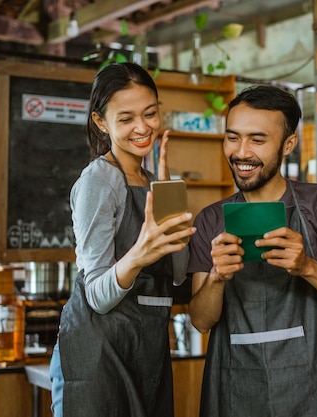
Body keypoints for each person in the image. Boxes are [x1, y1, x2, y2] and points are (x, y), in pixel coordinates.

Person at [187, 85, 317, 417]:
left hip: (311, 383)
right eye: (233, 138)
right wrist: (216, 278)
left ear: (288, 143)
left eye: (257, 140)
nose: (241, 153)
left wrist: (306, 266)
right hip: (236, 383)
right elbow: (201, 321)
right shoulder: (211, 219)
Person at [50, 62, 196, 417]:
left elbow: (178, 279)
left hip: (148, 349)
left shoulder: (153, 181)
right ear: (102, 122)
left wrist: (169, 203)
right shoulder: (98, 181)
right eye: (126, 118)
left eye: (150, 113)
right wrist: (139, 254)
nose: (142, 128)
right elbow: (97, 295)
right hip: (97, 356)